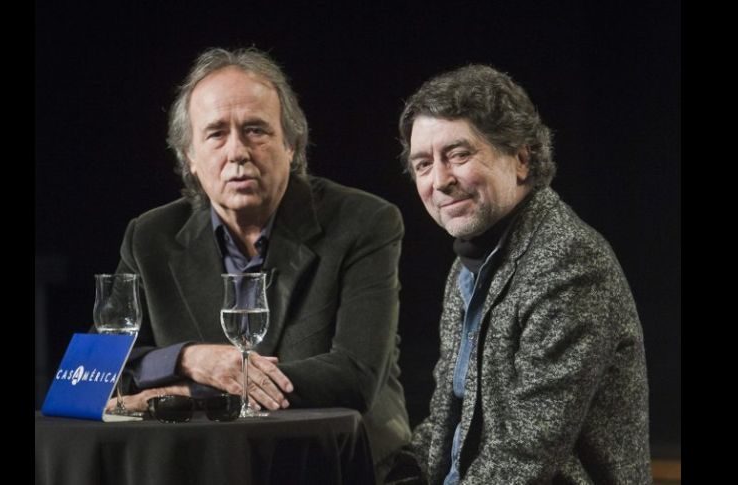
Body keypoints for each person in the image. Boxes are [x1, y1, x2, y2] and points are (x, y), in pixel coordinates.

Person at [110, 46, 411, 479]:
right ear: (189, 156)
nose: (237, 152)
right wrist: (188, 360)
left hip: (336, 464)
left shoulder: (364, 222)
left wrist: (195, 393)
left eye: (255, 130)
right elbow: (103, 368)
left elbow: (355, 375)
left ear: (291, 144)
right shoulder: (149, 237)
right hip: (204, 468)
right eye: (216, 133)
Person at [395, 65, 651, 484]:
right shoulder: (466, 267)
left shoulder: (568, 260)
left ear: (521, 158)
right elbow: (447, 421)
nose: (439, 180)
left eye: (458, 155)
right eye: (423, 164)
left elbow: (526, 454)